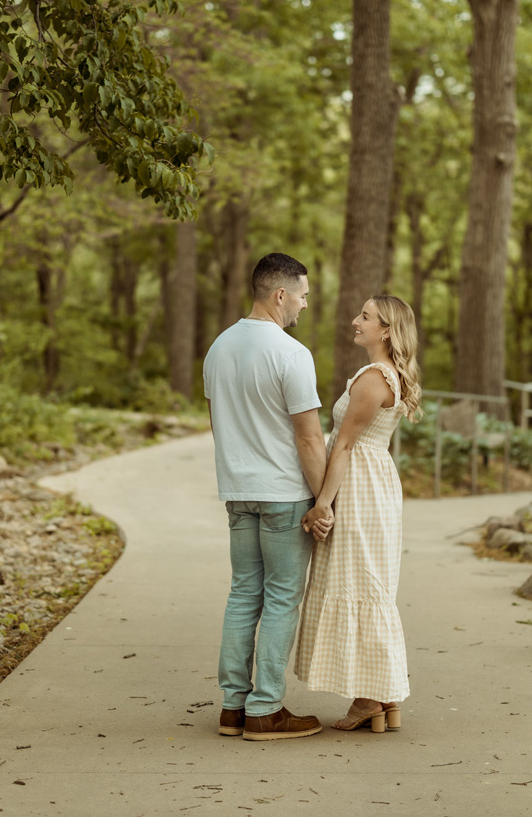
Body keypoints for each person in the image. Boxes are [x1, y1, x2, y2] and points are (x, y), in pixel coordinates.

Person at [202, 252, 330, 741]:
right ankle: (266, 708)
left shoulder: (219, 348)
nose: (303, 304)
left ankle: (233, 707)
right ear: (280, 295)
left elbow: (220, 425)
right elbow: (309, 439)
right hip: (283, 494)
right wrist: (324, 500)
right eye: (301, 295)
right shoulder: (290, 352)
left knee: (242, 595)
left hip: (238, 493)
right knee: (280, 600)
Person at [294, 295, 421, 733]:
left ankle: (370, 698)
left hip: (360, 486)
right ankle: (386, 696)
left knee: (360, 583)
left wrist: (323, 503)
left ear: (386, 330)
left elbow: (344, 445)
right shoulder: (384, 375)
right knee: (370, 583)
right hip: (373, 480)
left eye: (364, 317)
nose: (355, 321)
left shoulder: (372, 379)